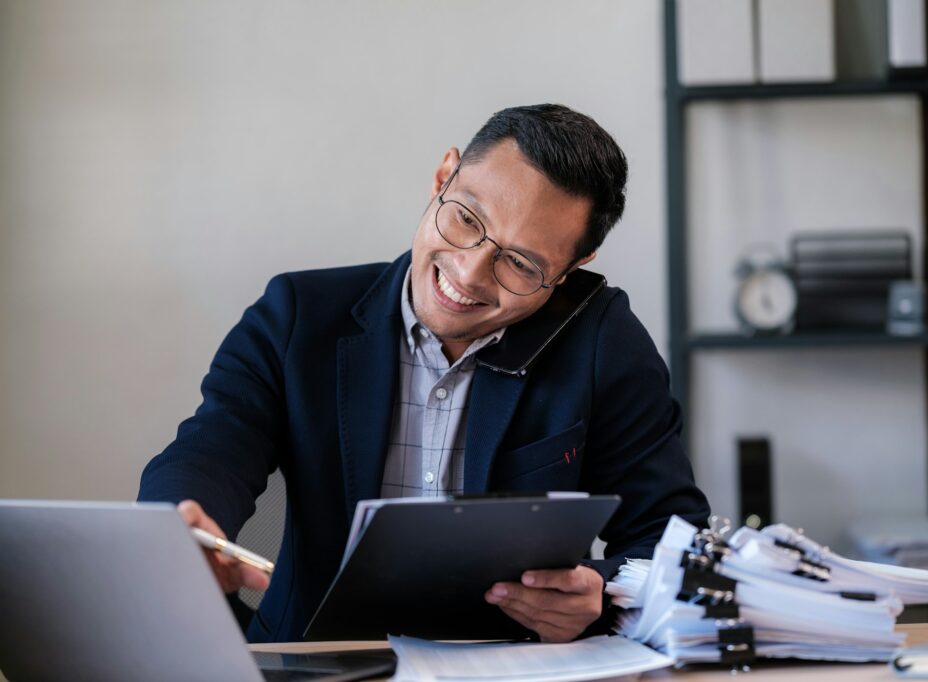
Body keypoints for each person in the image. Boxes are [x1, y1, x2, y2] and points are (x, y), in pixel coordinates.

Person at [139, 103, 710, 644]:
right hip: (313, 659)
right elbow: (211, 450)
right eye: (466, 219)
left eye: (521, 262)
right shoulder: (297, 315)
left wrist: (603, 594)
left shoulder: (601, 342)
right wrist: (180, 527)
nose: (468, 272)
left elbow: (670, 535)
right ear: (442, 177)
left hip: (513, 667)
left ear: (568, 270)